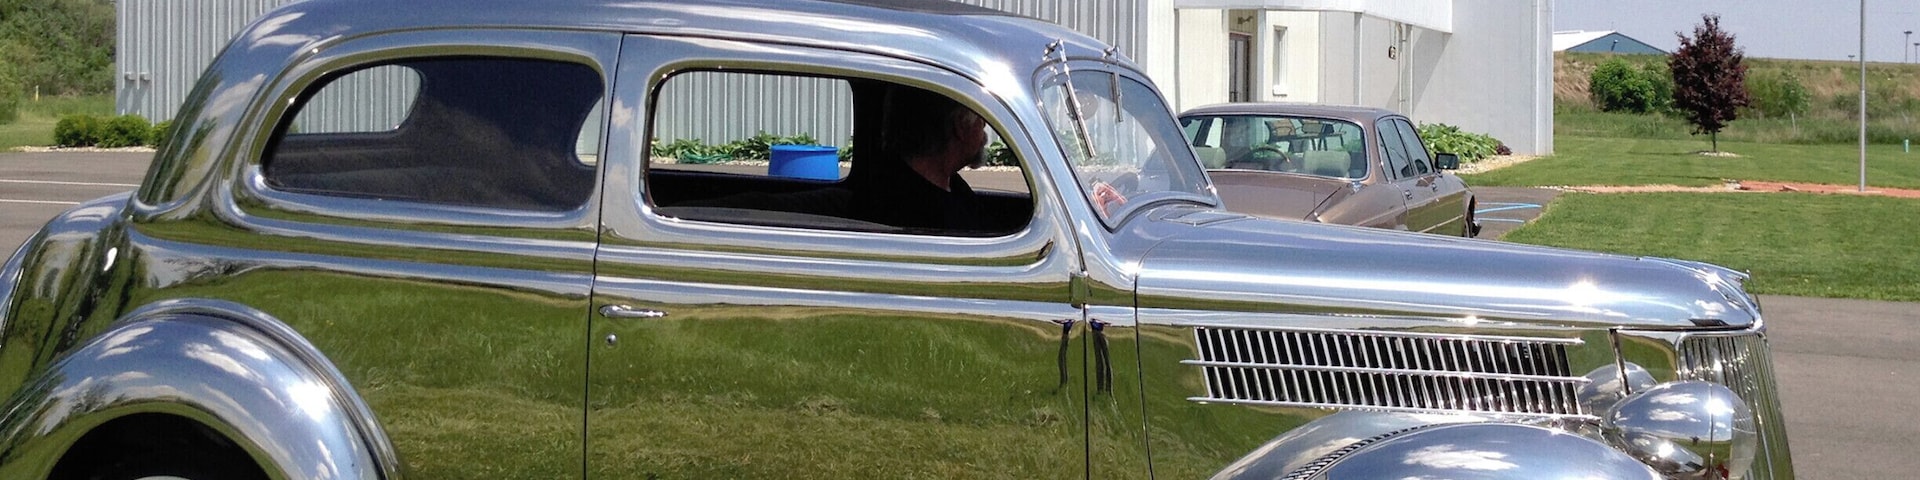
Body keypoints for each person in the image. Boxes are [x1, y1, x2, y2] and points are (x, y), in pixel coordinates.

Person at [849, 87, 993, 232]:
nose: (984, 125)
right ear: (961, 125)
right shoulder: (909, 208)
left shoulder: (951, 184)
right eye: (979, 118)